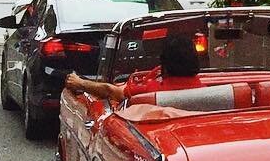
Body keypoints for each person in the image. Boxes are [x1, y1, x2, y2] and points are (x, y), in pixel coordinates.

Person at [65, 33, 205, 107]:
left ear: (165, 64)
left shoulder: (152, 91)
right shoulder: (205, 91)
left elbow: (111, 91)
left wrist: (80, 83)